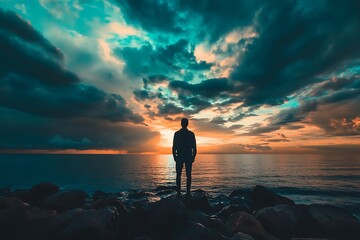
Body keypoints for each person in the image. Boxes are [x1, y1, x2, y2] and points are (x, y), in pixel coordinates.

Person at [172, 118, 197, 196]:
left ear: (181, 124)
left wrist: (174, 156)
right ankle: (188, 192)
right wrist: (193, 156)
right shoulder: (191, 134)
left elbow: (174, 146)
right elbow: (194, 147)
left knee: (178, 175)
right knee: (188, 175)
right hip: (187, 156)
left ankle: (179, 192)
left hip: (180, 156)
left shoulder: (177, 134)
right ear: (187, 124)